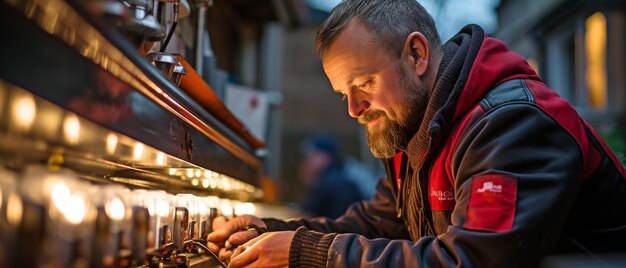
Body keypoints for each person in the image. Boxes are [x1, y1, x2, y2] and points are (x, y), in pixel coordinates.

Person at [206, 0, 626, 267]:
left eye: (364, 84)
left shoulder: (512, 123)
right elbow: (379, 223)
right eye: (343, 95)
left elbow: (473, 260)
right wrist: (273, 231)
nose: (354, 110)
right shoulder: (415, 129)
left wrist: (307, 253)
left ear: (417, 54)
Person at [297, 134, 363, 218]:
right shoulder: (338, 174)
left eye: (313, 155)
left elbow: (310, 214)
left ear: (326, 157)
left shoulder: (331, 182)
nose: (308, 160)